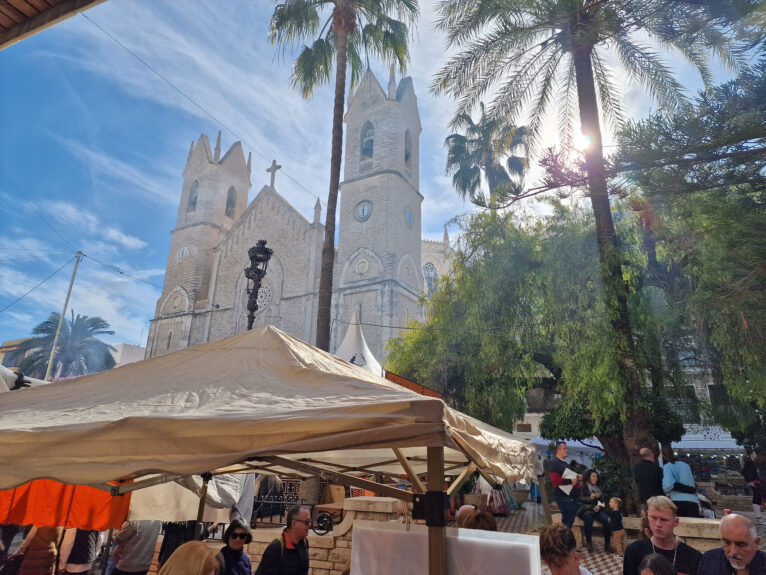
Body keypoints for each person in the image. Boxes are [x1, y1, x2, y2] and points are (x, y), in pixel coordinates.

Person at [623, 496, 701, 575]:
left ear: (676, 522)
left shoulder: (693, 557)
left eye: (664, 520)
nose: (658, 524)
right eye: (653, 518)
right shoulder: (634, 551)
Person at [698, 513, 766, 575]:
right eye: (726, 543)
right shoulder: (709, 560)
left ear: (756, 543)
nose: (733, 552)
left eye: (741, 545)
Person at [254, 506, 310, 575]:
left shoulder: (304, 543)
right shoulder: (276, 548)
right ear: (294, 523)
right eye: (307, 522)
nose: (310, 525)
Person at [574, 470, 613, 553]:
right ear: (588, 477)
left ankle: (607, 545)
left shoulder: (598, 488)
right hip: (585, 511)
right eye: (593, 476)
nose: (596, 478)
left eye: (596, 476)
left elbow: (603, 501)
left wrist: (599, 506)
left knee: (607, 520)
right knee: (588, 519)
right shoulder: (583, 487)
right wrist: (591, 500)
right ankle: (589, 543)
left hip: (596, 511)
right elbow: (579, 500)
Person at [549, 442, 583, 531]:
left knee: (568, 521)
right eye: (564, 448)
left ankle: (563, 539)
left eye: (567, 448)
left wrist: (576, 477)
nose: (566, 450)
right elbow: (554, 480)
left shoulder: (564, 463)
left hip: (570, 496)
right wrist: (570, 480)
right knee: (567, 522)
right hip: (563, 496)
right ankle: (562, 539)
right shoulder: (555, 463)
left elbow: (567, 476)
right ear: (558, 450)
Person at [661, 446, 700, 518]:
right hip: (693, 500)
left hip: (678, 501)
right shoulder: (685, 465)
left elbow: (668, 485)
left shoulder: (667, 466)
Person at [742, 450, 765, 525]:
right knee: (757, 498)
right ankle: (758, 518)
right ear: (751, 454)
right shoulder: (749, 462)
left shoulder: (753, 462)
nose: (756, 454)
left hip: (758, 482)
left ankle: (759, 517)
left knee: (758, 498)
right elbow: (744, 472)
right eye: (755, 453)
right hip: (754, 482)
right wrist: (749, 481)